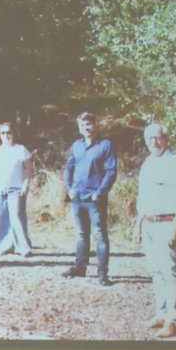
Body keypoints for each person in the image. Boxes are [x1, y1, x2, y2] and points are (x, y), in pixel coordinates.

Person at [137, 121, 176, 336]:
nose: (154, 141)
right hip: (149, 224)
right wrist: (138, 224)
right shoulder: (148, 163)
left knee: (170, 273)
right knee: (155, 271)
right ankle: (161, 314)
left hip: (166, 224)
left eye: (158, 137)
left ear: (166, 139)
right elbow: (143, 198)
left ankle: (172, 320)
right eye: (150, 138)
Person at [62, 111, 117, 285]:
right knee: (81, 234)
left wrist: (100, 191)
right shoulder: (77, 145)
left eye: (89, 124)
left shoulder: (105, 145)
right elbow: (68, 168)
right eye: (82, 125)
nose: (86, 128)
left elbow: (111, 171)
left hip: (95, 200)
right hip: (77, 198)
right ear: (79, 128)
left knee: (100, 236)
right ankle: (80, 267)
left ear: (95, 125)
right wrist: (69, 189)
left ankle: (102, 274)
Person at [0, 122, 34, 256]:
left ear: (13, 134)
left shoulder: (21, 149)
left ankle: (23, 247)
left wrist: (26, 183)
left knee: (17, 217)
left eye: (9, 132)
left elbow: (29, 169)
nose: (6, 135)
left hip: (16, 188)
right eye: (3, 133)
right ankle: (4, 246)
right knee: (0, 217)